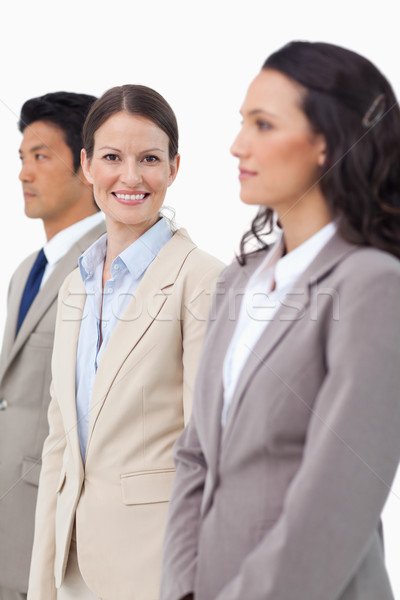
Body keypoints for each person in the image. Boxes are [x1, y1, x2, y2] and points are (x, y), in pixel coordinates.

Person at [160, 41, 400, 600]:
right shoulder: (237, 279)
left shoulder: (372, 285)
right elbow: (196, 455)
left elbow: (338, 498)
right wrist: (182, 590)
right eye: (243, 122)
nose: (237, 144)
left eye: (264, 125)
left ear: (327, 143)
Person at [27, 84, 224, 600]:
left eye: (150, 159)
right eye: (113, 157)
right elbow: (59, 447)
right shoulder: (75, 283)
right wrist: (42, 582)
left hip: (153, 569)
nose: (131, 177)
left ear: (174, 168)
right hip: (70, 569)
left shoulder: (202, 279)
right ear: (88, 166)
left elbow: (208, 451)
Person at [0, 91, 106, 600]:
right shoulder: (26, 272)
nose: (23, 173)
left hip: (55, 525)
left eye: (40, 156)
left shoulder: (109, 265)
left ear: (86, 166)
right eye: (22, 158)